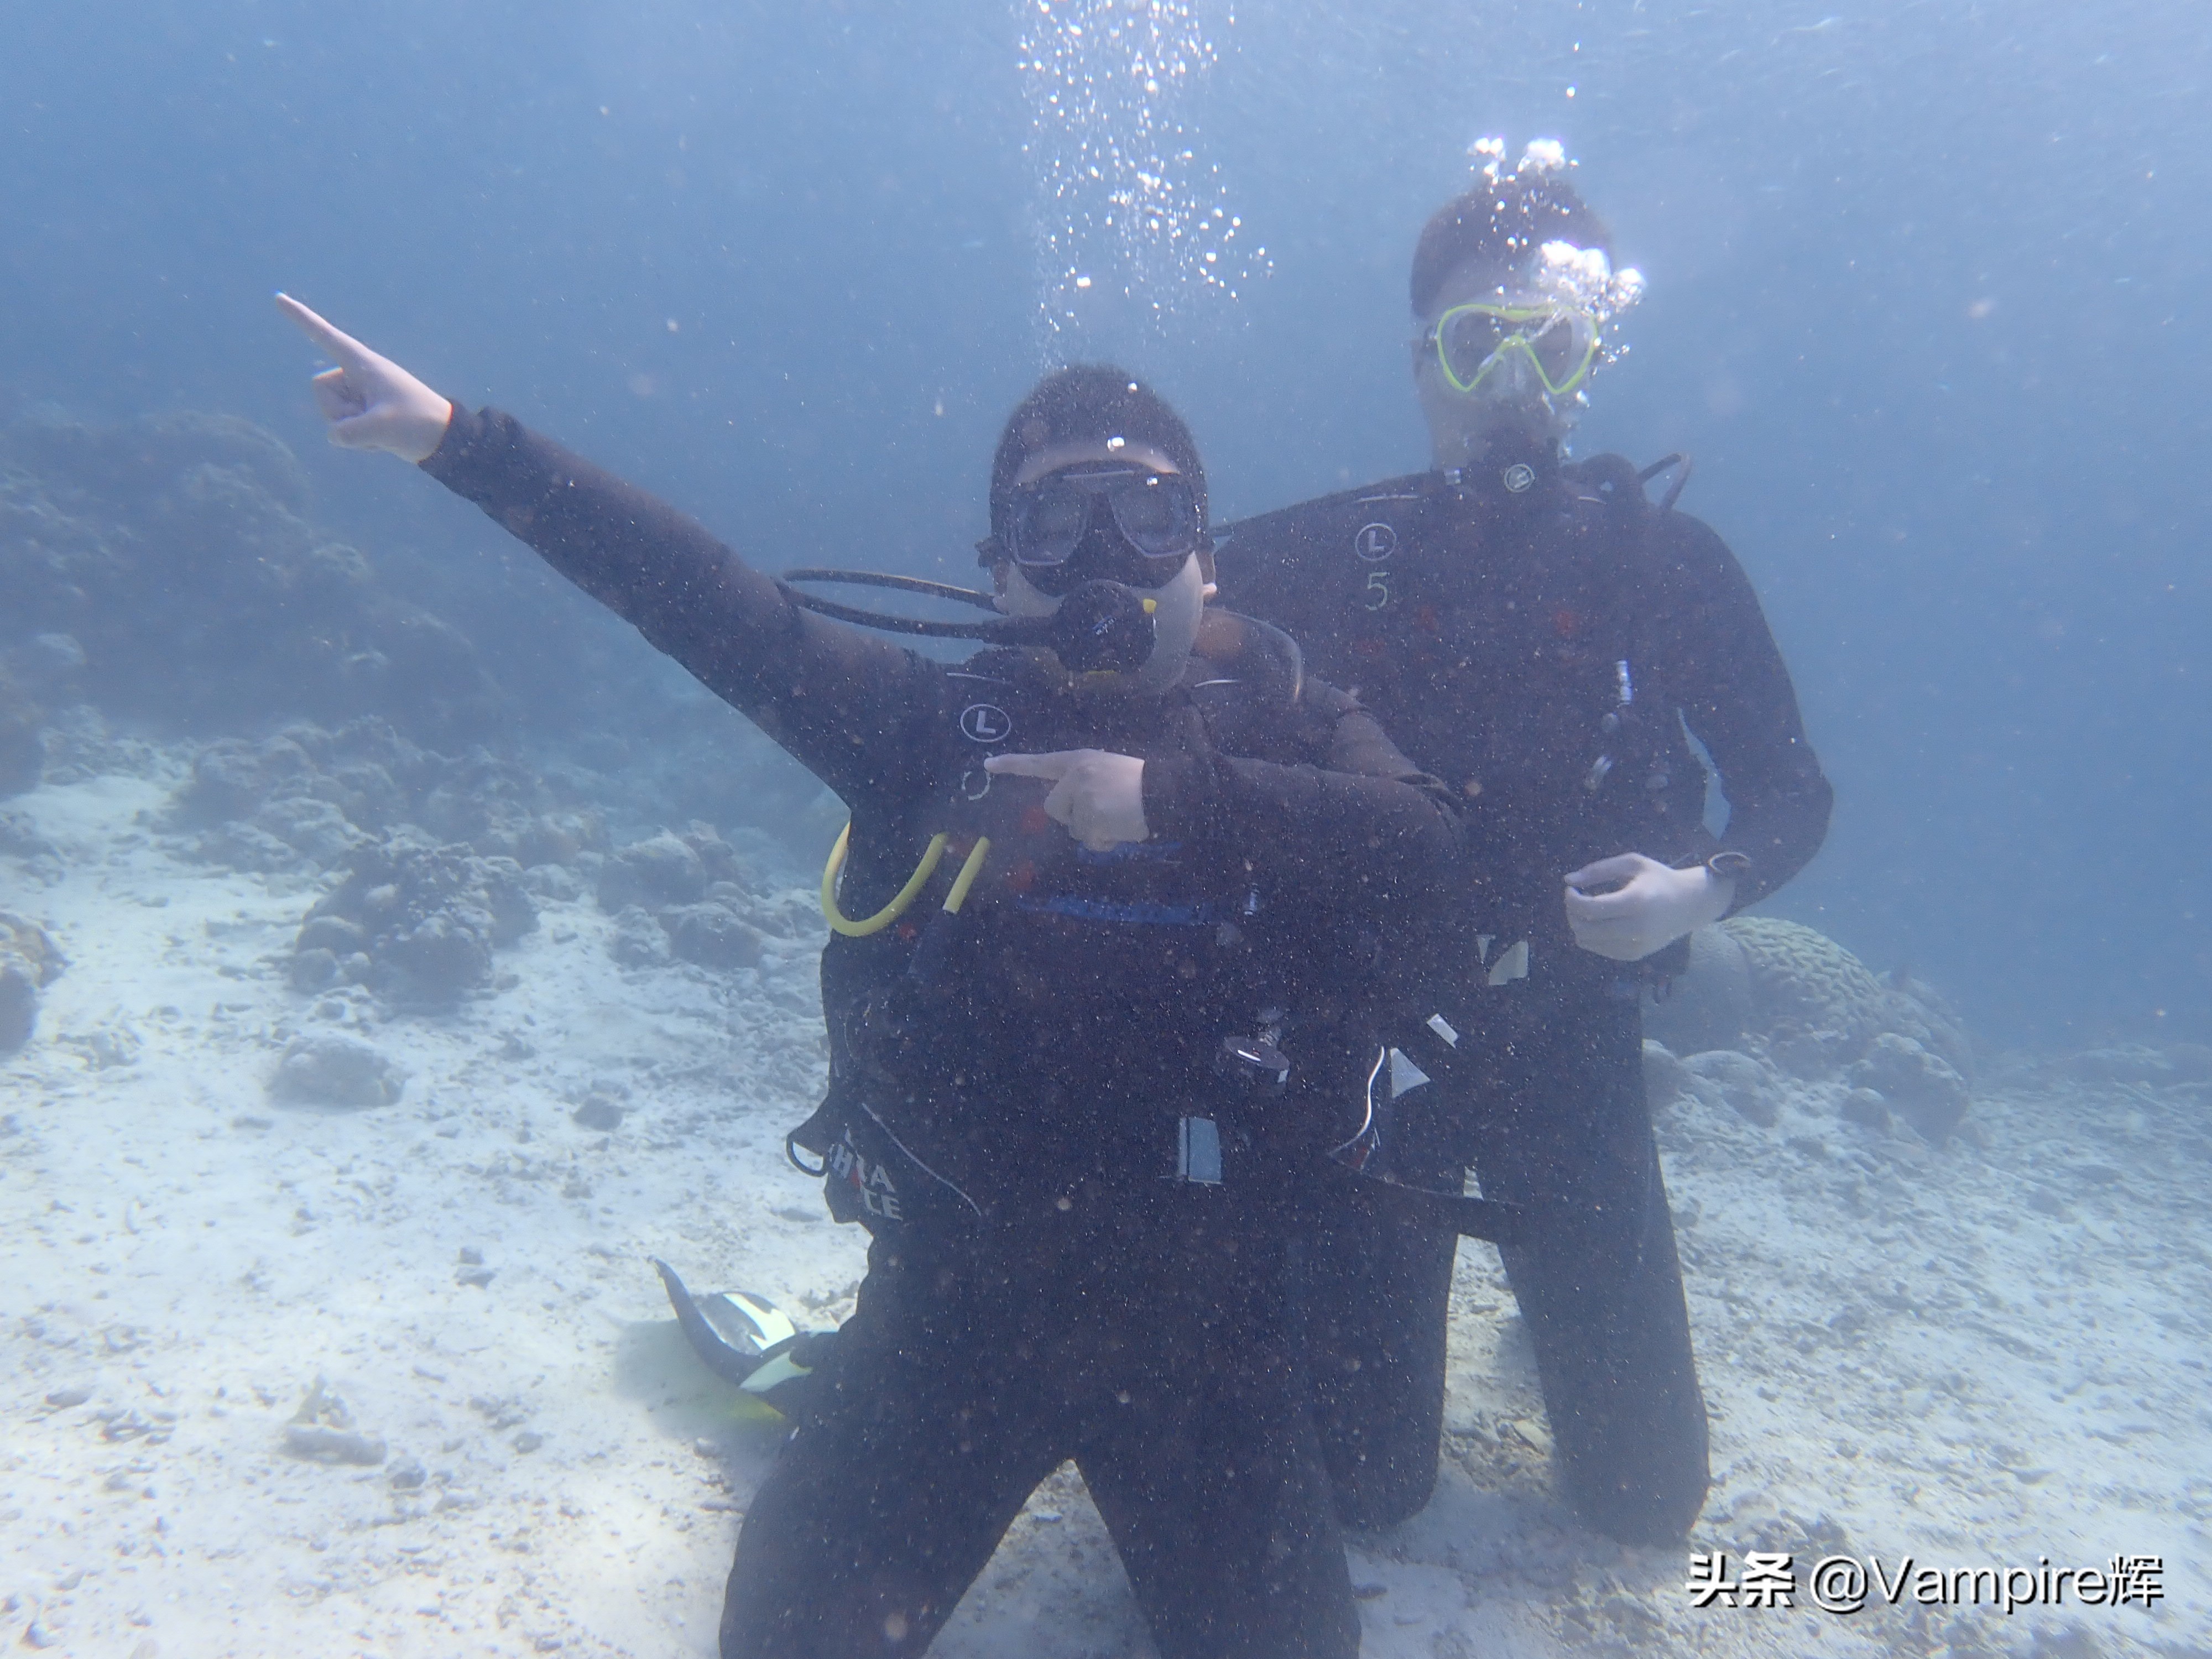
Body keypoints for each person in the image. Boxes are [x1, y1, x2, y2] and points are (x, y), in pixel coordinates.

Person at [275, 293, 1460, 1658]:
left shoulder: (1297, 732)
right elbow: (711, 607)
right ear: (997, 570)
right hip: (952, 1323)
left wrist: (1170, 798)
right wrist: (459, 440)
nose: (1099, 561)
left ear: (1206, 561)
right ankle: (820, 1371)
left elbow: (1433, 852)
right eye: (1049, 524)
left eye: (1142, 517)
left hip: (1212, 1346)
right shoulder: (924, 737)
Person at [1210, 143, 1834, 1545]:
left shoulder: (1666, 566)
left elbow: (1789, 790)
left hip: (1574, 1043)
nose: (1507, 382)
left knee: (1644, 1503)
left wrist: (1702, 889)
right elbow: (1162, 587)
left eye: (1545, 345)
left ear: (1587, 356)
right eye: (1472, 341)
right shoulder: (1335, 550)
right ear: (1420, 359)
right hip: (1379, 1052)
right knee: (1362, 1496)